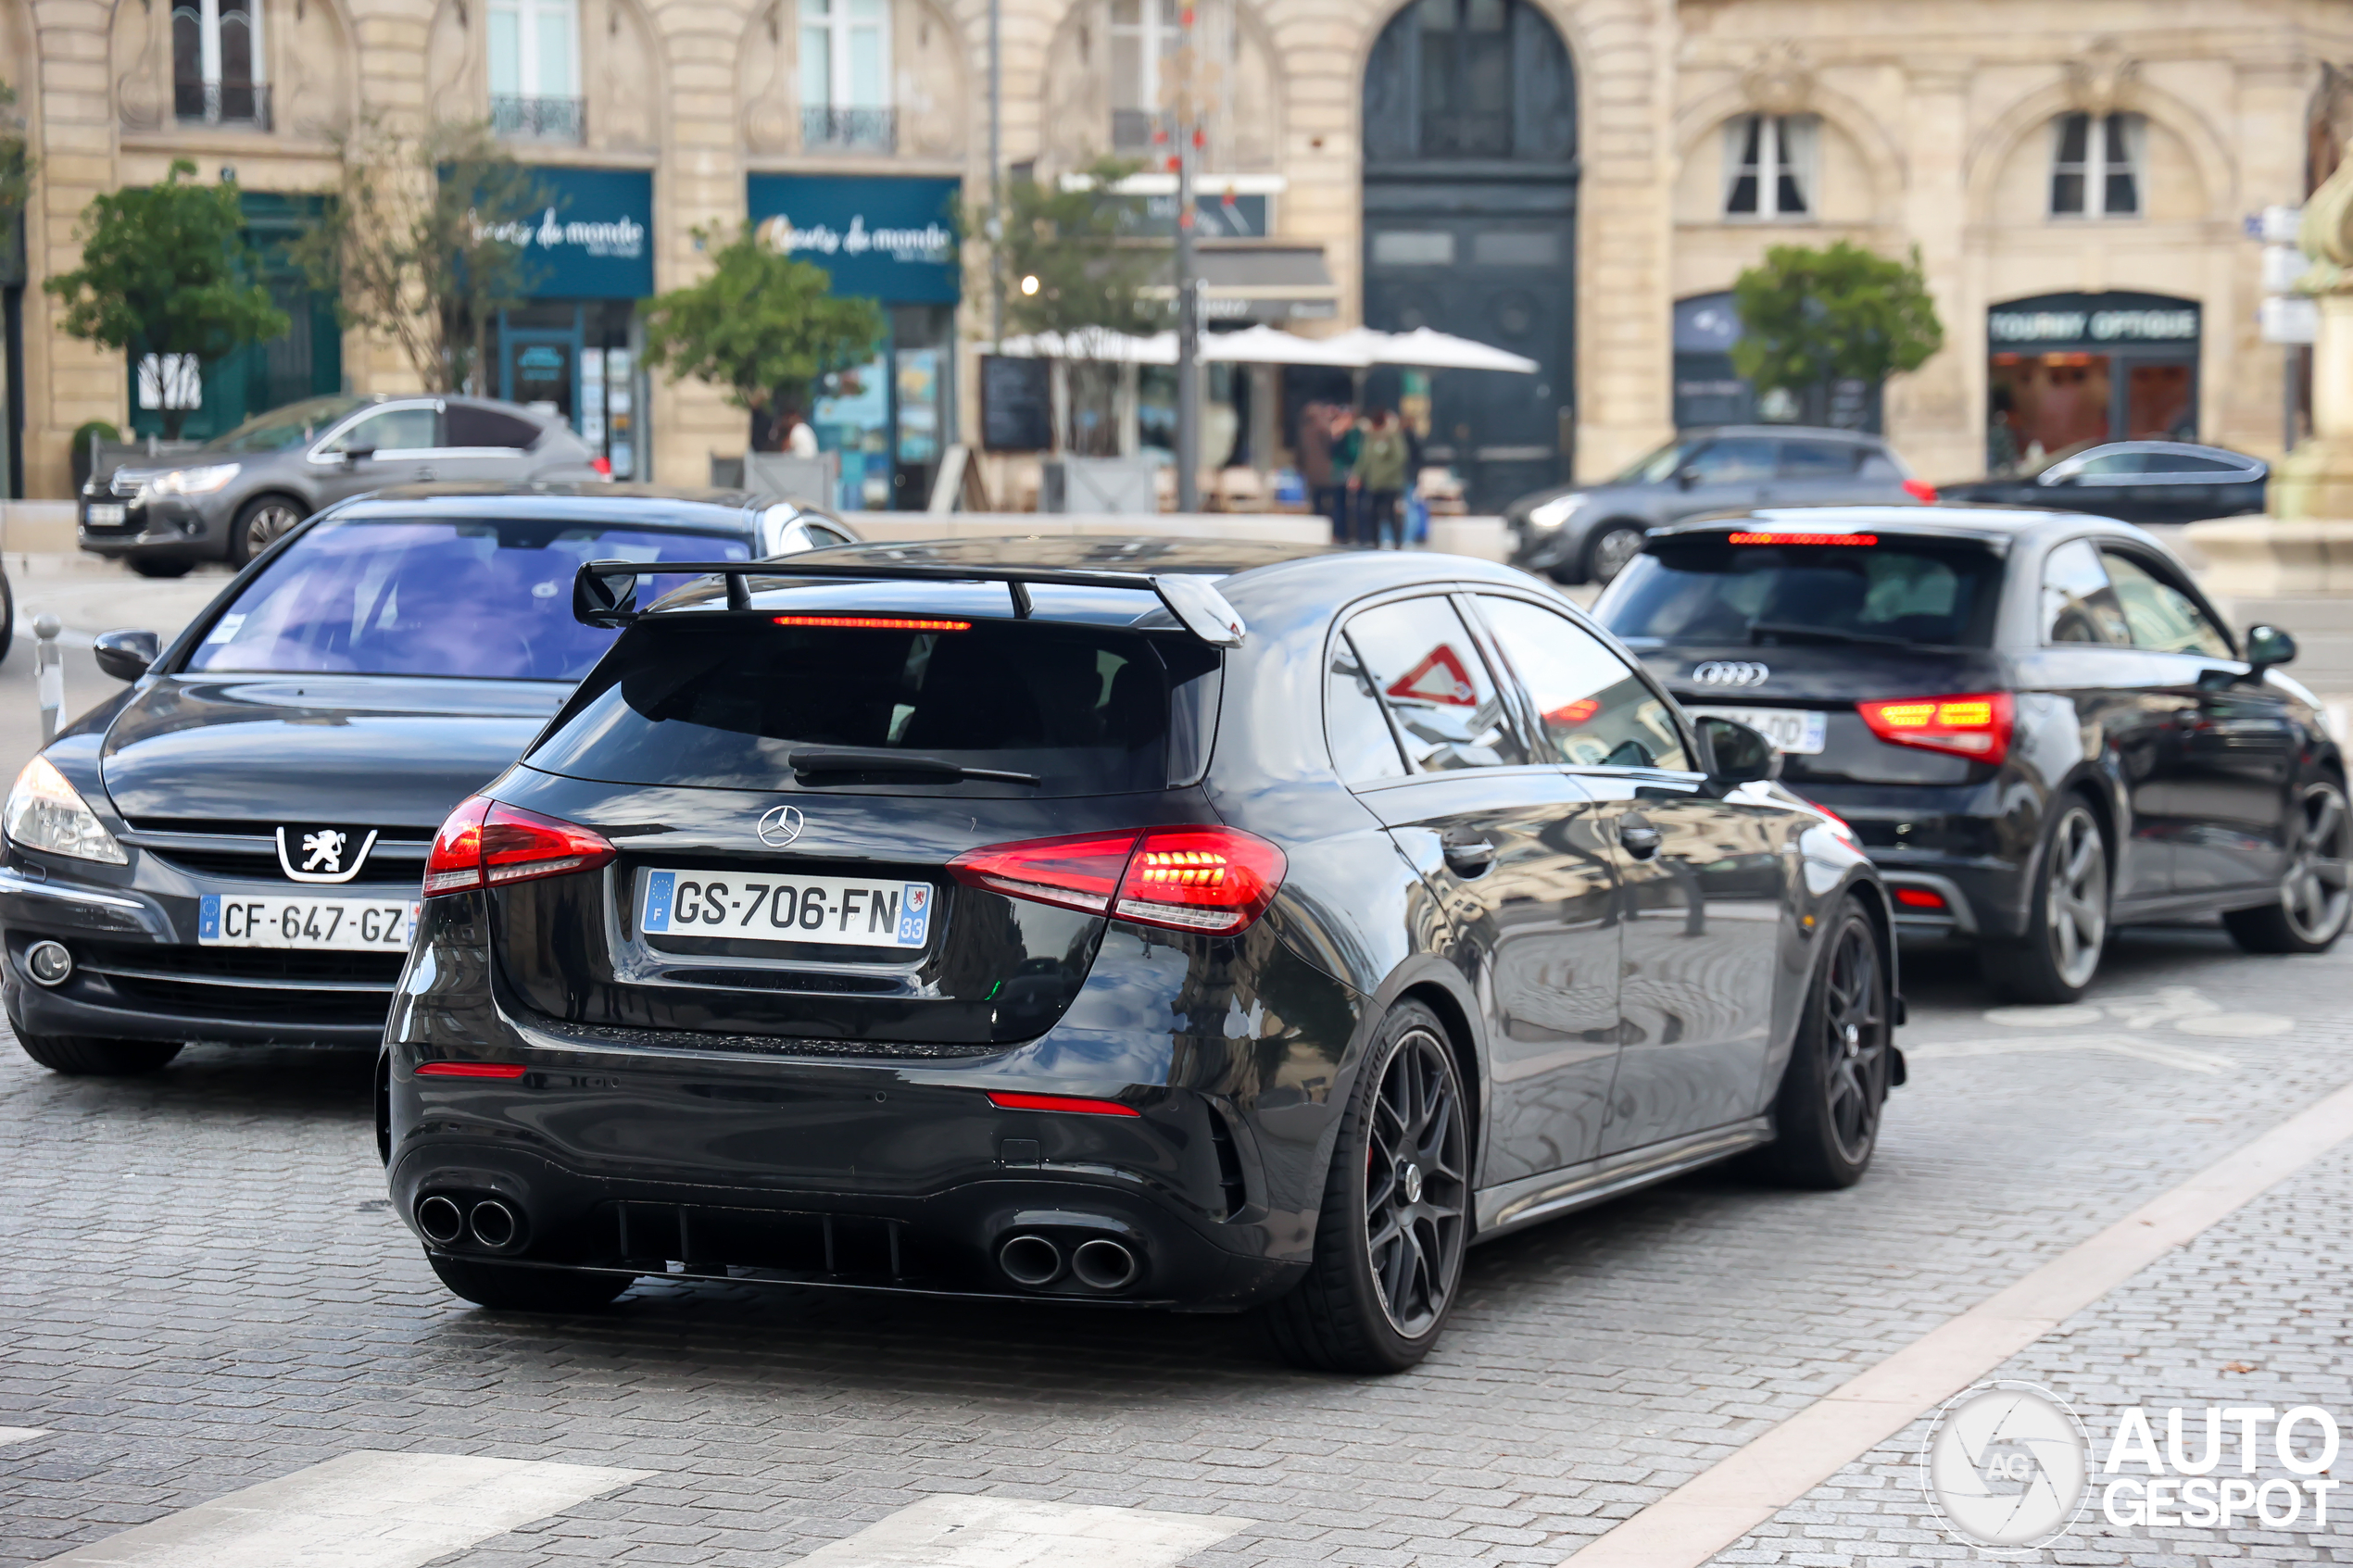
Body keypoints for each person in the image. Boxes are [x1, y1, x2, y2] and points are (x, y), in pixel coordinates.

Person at [1355, 408, 1409, 549]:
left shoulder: (1392, 436)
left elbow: (1399, 458)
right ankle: (1374, 542)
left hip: (1390, 484)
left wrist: (1382, 475)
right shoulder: (1370, 437)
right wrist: (1357, 475)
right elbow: (1364, 459)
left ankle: (1397, 542)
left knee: (1391, 514)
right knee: (1372, 514)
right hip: (1373, 485)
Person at [1297, 401, 1343, 544]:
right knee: (1330, 505)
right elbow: (1332, 447)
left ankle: (1317, 533)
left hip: (1311, 474)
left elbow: (1300, 454)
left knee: (1316, 505)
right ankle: (1332, 533)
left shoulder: (1304, 431)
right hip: (1326, 473)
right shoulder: (1323, 429)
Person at [1331, 407, 1365, 546]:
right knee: (1339, 505)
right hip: (1339, 473)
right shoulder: (1337, 432)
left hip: (1352, 472)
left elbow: (1355, 453)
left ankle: (1354, 535)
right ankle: (1340, 534)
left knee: (1355, 506)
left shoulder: (1356, 433)